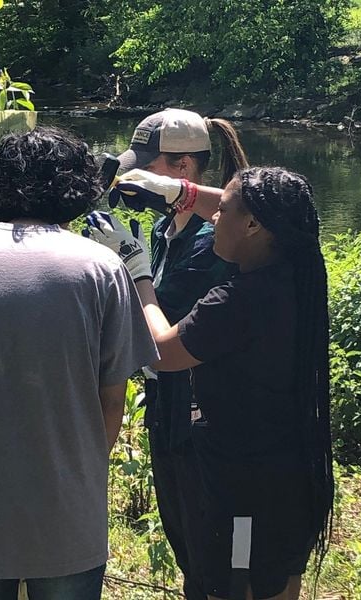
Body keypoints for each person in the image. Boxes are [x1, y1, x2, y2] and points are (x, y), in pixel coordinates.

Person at [0, 127, 159, 600]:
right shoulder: (101, 268)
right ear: (75, 186)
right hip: (67, 509)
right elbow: (112, 398)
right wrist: (78, 473)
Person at [85, 166, 334, 600]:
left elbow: (162, 351)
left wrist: (136, 269)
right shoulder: (294, 269)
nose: (212, 218)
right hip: (285, 472)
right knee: (276, 579)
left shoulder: (238, 301)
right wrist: (182, 193)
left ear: (254, 225)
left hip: (244, 489)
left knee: (237, 586)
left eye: (221, 211)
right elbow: (256, 203)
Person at [113, 108, 248, 600]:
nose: (135, 179)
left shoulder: (217, 241)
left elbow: (177, 336)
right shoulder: (162, 232)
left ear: (184, 168)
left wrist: (136, 275)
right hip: (164, 408)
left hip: (203, 415)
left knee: (215, 548)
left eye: (149, 168)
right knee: (184, 538)